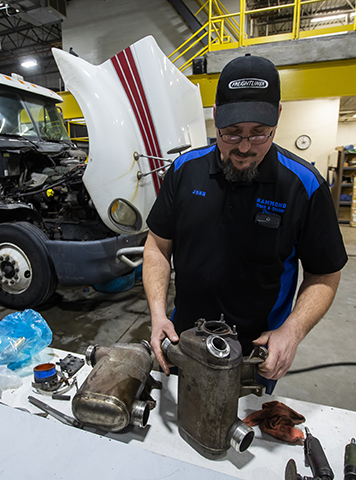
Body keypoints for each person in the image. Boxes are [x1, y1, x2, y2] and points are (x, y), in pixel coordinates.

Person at [143, 54, 347, 393]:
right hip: (183, 343)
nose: (244, 147)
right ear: (215, 117)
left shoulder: (304, 185)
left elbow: (324, 274)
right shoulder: (183, 172)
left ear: (278, 117)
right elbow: (157, 247)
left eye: (259, 133)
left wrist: (292, 332)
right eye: (232, 133)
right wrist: (158, 314)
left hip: (256, 356)